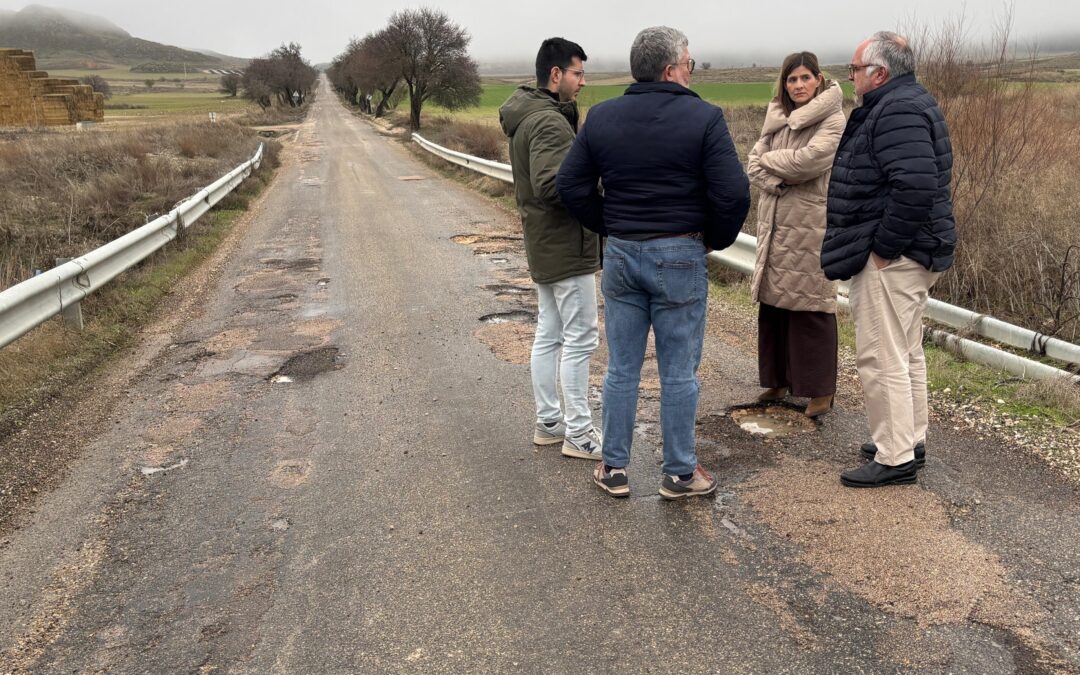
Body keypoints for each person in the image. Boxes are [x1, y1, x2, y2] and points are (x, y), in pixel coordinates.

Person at [557, 26, 750, 499]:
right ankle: (680, 474)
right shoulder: (704, 118)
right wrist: (711, 240)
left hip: (623, 253)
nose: (691, 70)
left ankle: (613, 468)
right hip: (680, 252)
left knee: (621, 367)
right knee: (678, 371)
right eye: (688, 63)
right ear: (670, 70)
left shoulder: (602, 116)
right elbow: (733, 193)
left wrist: (609, 223)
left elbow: (569, 185)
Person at [821, 31, 956, 488]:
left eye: (855, 69)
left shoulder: (896, 109)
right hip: (914, 251)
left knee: (881, 354)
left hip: (896, 257)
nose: (851, 76)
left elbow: (915, 185)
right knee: (905, 349)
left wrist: (883, 248)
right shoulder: (907, 101)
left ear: (879, 73)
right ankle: (909, 440)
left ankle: (895, 455)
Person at [498, 38, 603, 461]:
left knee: (550, 333)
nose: (583, 82)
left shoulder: (531, 115)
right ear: (556, 74)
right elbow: (552, 184)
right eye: (578, 73)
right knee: (580, 338)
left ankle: (549, 422)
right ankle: (578, 433)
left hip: (545, 242)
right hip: (565, 244)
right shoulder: (548, 122)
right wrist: (598, 193)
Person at [747, 52, 845, 419]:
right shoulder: (778, 118)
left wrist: (770, 162)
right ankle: (778, 380)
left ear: (819, 79)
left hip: (809, 224)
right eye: (792, 79)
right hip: (774, 223)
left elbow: (808, 162)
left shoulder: (833, 119)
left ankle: (820, 390)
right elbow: (752, 164)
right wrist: (776, 177)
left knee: (811, 305)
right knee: (774, 305)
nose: (798, 85)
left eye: (805, 78)